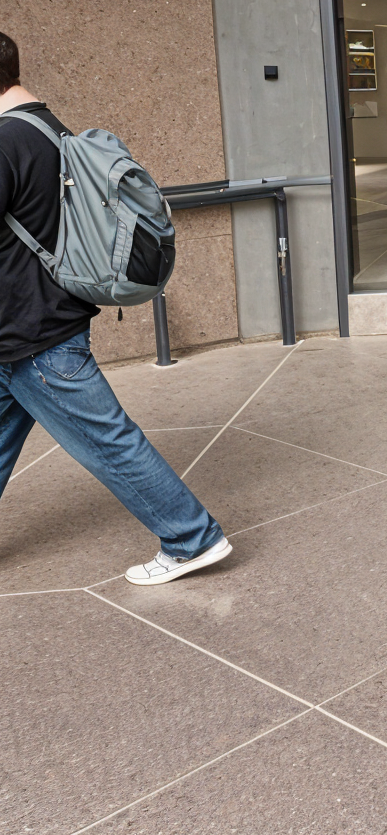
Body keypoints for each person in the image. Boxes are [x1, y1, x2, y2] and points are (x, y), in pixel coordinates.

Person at [0, 31, 230, 584]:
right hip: (29, 324)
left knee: (109, 443)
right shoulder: (46, 126)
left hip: (34, 334)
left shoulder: (6, 140)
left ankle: (192, 537)